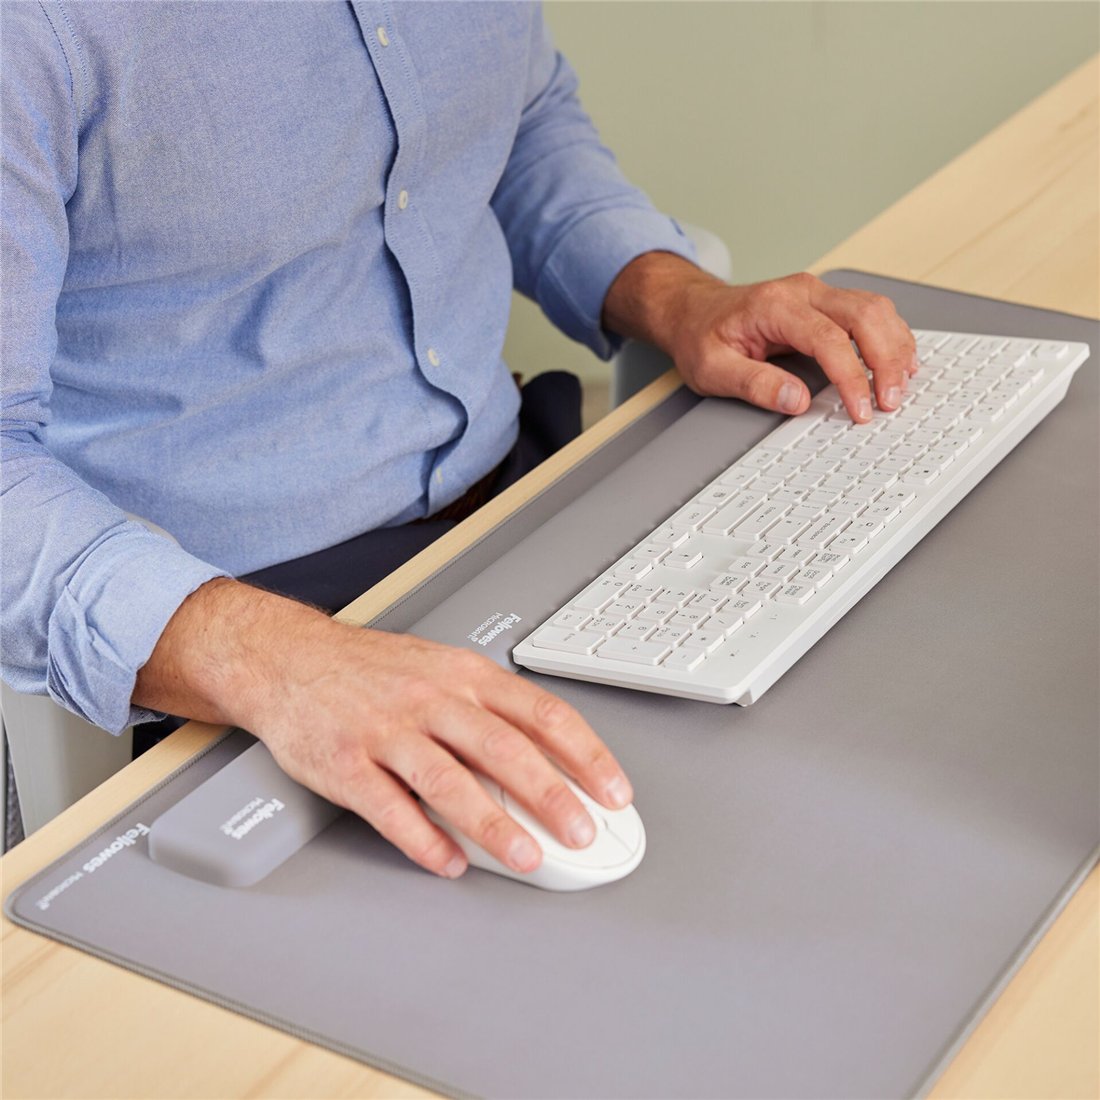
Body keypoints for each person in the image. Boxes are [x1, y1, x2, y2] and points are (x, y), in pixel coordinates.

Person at [1, 2, 915, 879]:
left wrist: (674, 296)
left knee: (834, 758)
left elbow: (520, 126)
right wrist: (280, 666)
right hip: (240, 630)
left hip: (523, 502)